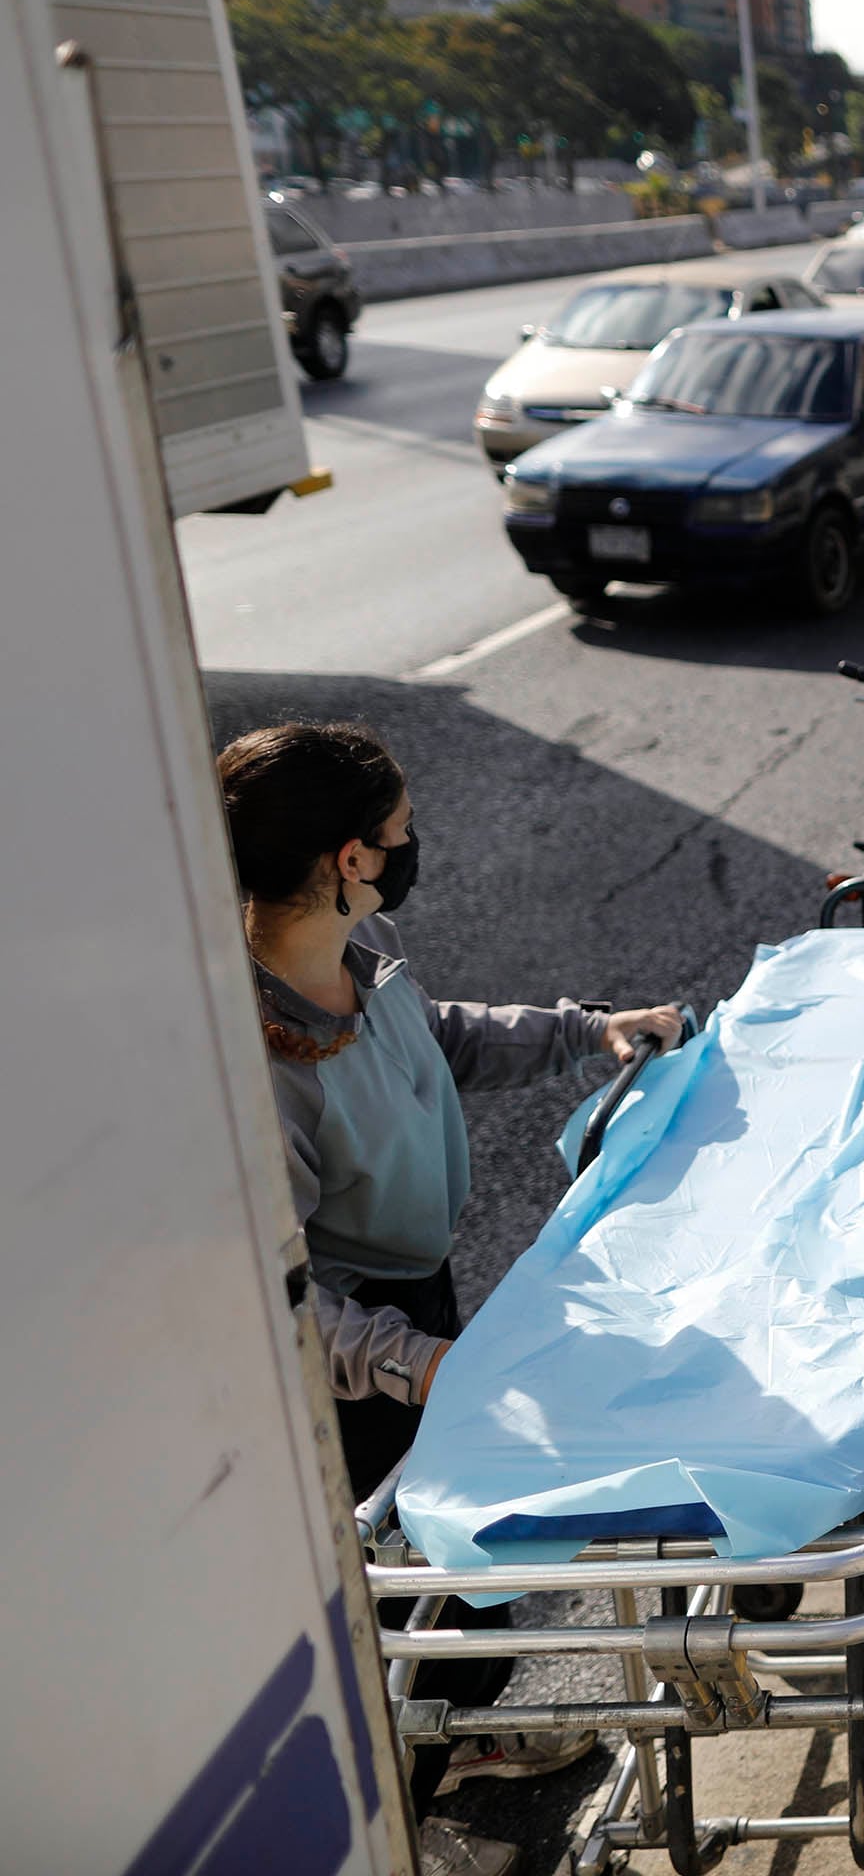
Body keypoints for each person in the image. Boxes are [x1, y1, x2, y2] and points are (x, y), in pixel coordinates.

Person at [219, 722, 685, 1833]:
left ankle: (465, 1734)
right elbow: (276, 1301)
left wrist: (590, 1033)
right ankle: (411, 1812)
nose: (413, 841)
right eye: (400, 830)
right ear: (350, 859)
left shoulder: (358, 965)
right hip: (356, 1371)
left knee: (459, 1542)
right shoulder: (259, 1062)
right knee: (400, 1582)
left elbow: (443, 1037)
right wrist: (423, 1362)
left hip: (419, 1317)